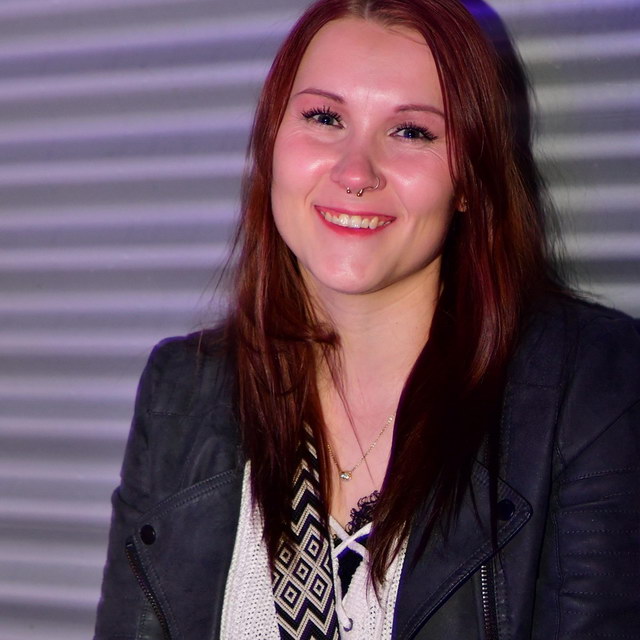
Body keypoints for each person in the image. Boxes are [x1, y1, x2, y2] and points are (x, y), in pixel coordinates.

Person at [94, 0, 640, 638]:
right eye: (325, 118)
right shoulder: (183, 390)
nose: (356, 173)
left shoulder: (591, 388)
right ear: (272, 145)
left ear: (471, 178)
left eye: (411, 131)